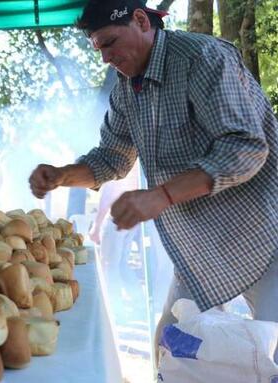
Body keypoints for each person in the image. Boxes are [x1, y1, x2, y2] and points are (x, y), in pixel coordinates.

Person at [28, 0, 278, 361]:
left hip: (262, 235)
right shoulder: (126, 91)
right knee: (171, 349)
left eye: (110, 43)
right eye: (98, 49)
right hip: (202, 249)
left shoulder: (203, 57)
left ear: (142, 21)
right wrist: (62, 176)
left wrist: (161, 195)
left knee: (273, 354)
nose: (105, 59)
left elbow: (245, 147)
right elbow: (111, 159)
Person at [90, 161, 145, 325]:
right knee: (121, 264)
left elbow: (109, 193)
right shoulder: (134, 158)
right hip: (131, 216)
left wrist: (97, 225)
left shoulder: (116, 158)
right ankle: (139, 305)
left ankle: (114, 312)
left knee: (109, 266)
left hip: (116, 217)